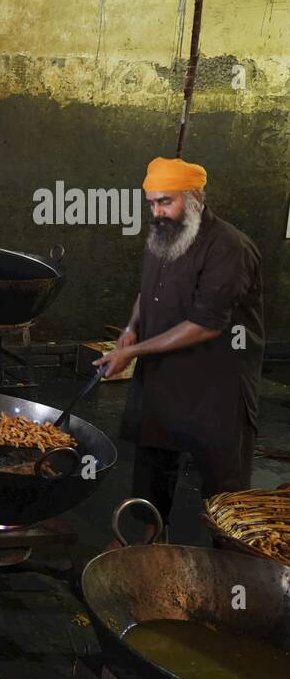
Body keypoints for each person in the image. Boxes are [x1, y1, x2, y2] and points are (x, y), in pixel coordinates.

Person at [96, 157, 264, 532]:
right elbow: (148, 292)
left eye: (166, 202)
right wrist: (131, 329)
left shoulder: (228, 248)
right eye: (152, 203)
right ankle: (144, 541)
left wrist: (132, 353)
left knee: (223, 483)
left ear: (195, 196)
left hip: (216, 381)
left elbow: (205, 326)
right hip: (163, 372)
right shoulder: (162, 236)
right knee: (152, 463)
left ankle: (231, 562)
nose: (158, 212)